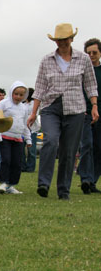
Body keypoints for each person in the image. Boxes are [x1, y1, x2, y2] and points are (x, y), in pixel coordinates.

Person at [27, 23, 98, 200]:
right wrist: (33, 112)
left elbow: (90, 84)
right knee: (50, 140)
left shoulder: (83, 59)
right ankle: (43, 183)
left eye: (65, 39)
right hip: (51, 106)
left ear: (72, 39)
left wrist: (94, 105)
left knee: (69, 150)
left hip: (76, 108)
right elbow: (40, 87)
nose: (62, 43)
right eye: (59, 40)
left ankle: (63, 190)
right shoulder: (46, 60)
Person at [0, 81, 31, 194]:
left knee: (17, 162)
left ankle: (11, 185)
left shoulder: (24, 108)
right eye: (16, 94)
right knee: (6, 160)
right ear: (11, 92)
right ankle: (3, 182)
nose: (18, 97)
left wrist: (28, 138)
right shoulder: (3, 104)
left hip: (18, 139)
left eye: (21, 95)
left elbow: (25, 124)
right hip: (5, 137)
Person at [77, 38, 101, 194]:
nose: (91, 55)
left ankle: (92, 181)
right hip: (84, 112)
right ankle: (85, 179)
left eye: (94, 52)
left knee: (99, 148)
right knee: (87, 145)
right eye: (88, 53)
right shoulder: (80, 72)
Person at [21, 88, 40, 173]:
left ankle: (30, 167)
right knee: (21, 150)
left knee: (31, 150)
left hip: (32, 129)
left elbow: (34, 114)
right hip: (22, 130)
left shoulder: (34, 104)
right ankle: (22, 166)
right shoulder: (23, 104)